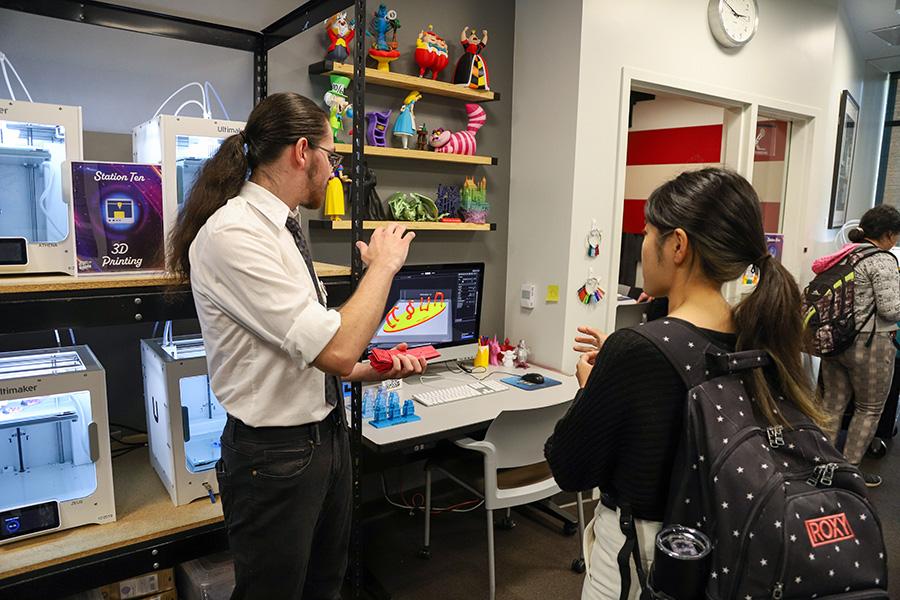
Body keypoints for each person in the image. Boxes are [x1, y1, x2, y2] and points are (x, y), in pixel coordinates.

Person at [167, 92, 427, 600]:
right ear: (302, 151)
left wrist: (376, 371)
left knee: (323, 587)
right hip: (275, 457)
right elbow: (334, 348)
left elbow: (311, 355)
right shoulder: (234, 236)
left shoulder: (284, 229)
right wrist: (383, 267)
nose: (336, 172)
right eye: (333, 157)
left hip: (324, 440)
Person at [544, 168, 824, 600]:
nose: (641, 249)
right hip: (729, 547)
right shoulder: (759, 338)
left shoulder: (638, 350)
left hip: (646, 557)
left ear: (676, 245)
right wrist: (625, 362)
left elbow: (570, 468)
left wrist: (591, 386)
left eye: (646, 235)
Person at [818, 205, 900, 487]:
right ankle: (847, 472)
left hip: (834, 341)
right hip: (870, 345)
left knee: (832, 404)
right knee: (868, 408)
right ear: (888, 234)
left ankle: (822, 468)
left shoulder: (843, 254)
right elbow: (891, 310)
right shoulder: (883, 260)